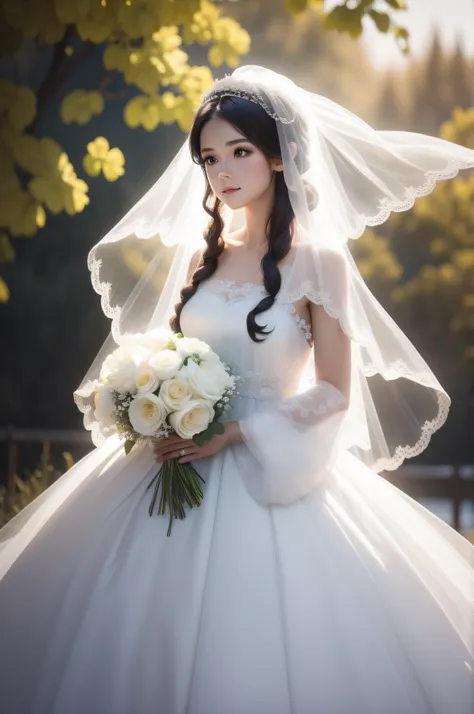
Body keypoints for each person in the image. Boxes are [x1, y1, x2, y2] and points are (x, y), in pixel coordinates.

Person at [0, 65, 473, 714]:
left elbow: (334, 387)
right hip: (173, 457)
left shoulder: (319, 262)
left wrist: (239, 432)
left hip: (266, 460)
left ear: (280, 159)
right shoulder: (201, 259)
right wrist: (158, 396)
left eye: (239, 152)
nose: (222, 171)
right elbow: (179, 352)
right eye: (210, 157)